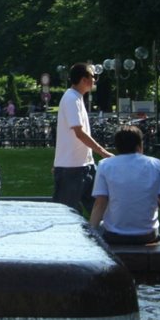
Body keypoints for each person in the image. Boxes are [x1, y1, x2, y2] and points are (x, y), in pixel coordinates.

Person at [89, 126, 160, 245]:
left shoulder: (105, 165)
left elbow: (100, 203)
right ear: (139, 145)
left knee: (100, 226)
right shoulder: (155, 164)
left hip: (115, 235)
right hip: (148, 234)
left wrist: (90, 235)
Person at [53, 63, 113, 215]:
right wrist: (103, 152)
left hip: (84, 166)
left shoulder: (76, 98)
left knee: (100, 208)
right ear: (84, 79)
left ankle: (108, 236)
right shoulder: (71, 99)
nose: (95, 80)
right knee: (65, 215)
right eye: (93, 76)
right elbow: (79, 133)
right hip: (72, 168)